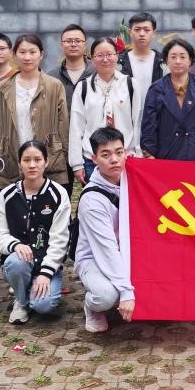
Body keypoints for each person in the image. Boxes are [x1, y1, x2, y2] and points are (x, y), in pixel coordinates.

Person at [0, 140, 71, 324]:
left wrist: (45, 273)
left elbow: (60, 240)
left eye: (37, 159)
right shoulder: (7, 195)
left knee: (43, 306)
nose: (32, 165)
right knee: (16, 262)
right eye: (26, 160)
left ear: (46, 162)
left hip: (47, 263)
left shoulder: (58, 194)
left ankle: (36, 285)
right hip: (18, 264)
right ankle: (20, 301)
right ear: (20, 164)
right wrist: (15, 245)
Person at [75, 126, 136, 333]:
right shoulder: (92, 200)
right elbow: (107, 249)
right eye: (106, 155)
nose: (114, 160)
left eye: (119, 152)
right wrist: (126, 291)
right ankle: (92, 306)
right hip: (94, 256)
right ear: (94, 159)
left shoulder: (135, 180)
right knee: (107, 295)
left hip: (128, 250)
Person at [0, 33, 69, 189]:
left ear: (41, 55)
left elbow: (63, 125)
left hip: (48, 160)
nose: (27, 57)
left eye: (32, 52)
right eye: (22, 52)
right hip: (11, 159)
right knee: (14, 202)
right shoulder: (3, 88)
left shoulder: (54, 86)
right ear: (14, 55)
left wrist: (63, 157)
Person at [69, 36, 143, 183]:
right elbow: (76, 127)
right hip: (93, 159)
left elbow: (138, 122)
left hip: (125, 157)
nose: (105, 59)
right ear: (92, 58)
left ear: (117, 56)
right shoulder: (83, 87)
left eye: (109, 54)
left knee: (125, 197)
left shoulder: (130, 84)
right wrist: (77, 163)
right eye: (99, 55)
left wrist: (138, 153)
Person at [141, 38, 195, 161]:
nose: (178, 61)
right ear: (166, 60)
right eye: (173, 57)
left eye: (182, 57)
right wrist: (149, 155)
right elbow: (149, 126)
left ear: (190, 60)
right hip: (167, 156)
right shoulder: (156, 89)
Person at [119, 11, 164, 101]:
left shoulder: (164, 62)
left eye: (146, 30)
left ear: (154, 33)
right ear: (130, 32)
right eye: (137, 29)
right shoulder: (119, 62)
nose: (142, 34)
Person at [51, 24, 94, 110]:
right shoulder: (52, 77)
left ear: (85, 45)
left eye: (78, 41)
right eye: (68, 41)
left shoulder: (97, 72)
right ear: (61, 45)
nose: (73, 44)